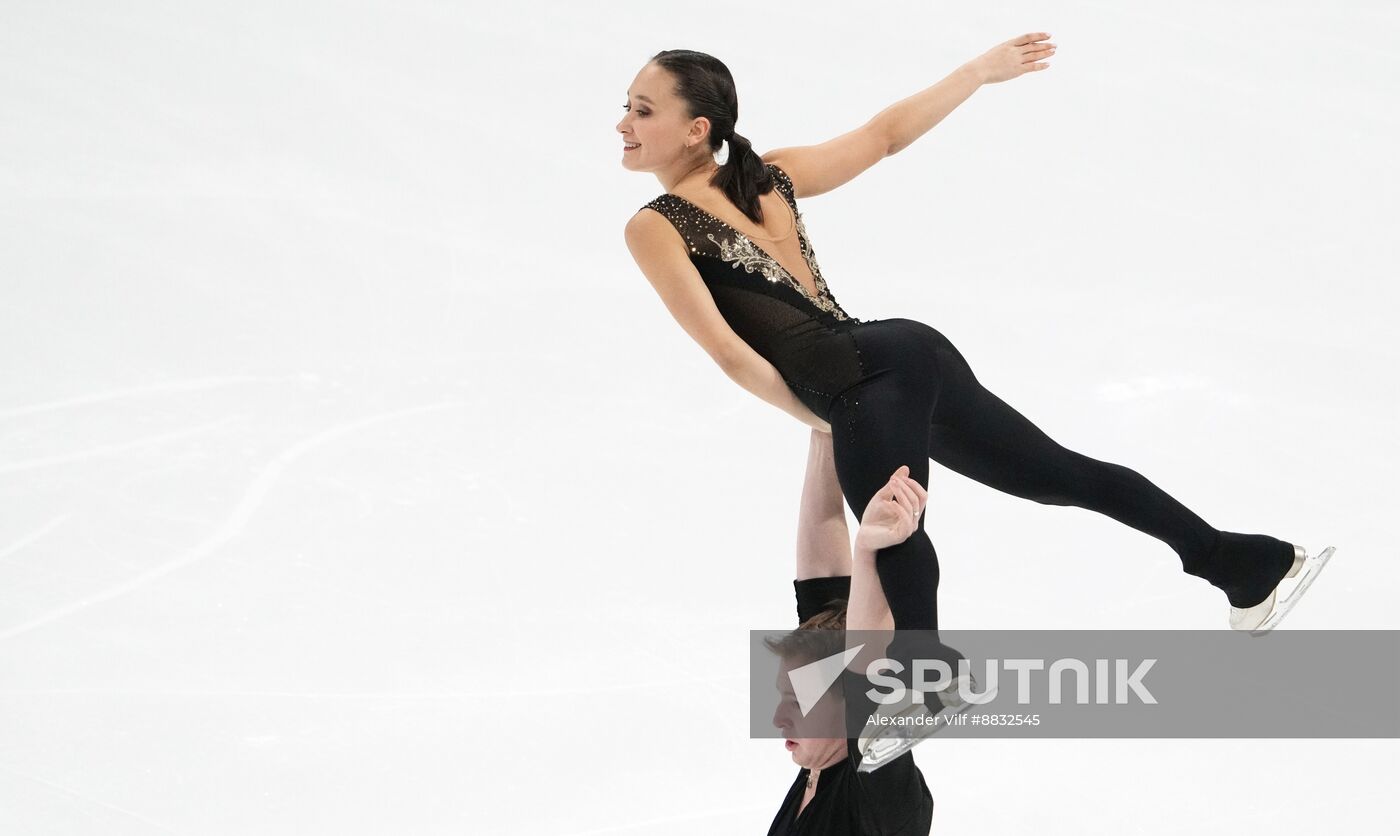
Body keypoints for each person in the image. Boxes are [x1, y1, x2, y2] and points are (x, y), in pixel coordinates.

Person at [620, 37, 1335, 766]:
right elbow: (883, 138)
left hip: (863, 377)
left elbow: (730, 354)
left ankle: (926, 685)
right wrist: (976, 74)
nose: (624, 124)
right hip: (907, 351)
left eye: (642, 111)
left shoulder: (656, 224)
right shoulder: (769, 175)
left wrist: (824, 414)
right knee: (1061, 476)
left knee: (892, 525)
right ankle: (1246, 563)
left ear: (696, 128)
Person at [765, 429, 936, 835]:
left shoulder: (881, 800)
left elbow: (868, 675)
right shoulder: (819, 763)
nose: (777, 719)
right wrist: (824, 425)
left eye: (797, 703)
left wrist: (868, 550)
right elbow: (822, 579)